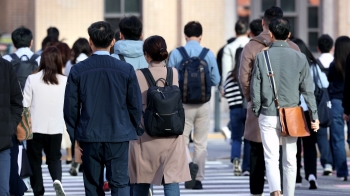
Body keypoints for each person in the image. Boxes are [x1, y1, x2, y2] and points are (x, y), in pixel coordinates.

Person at [64, 21, 142, 196]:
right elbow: (135, 105)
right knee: (120, 183)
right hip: (119, 133)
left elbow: (71, 107)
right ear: (113, 42)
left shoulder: (78, 70)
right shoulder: (126, 69)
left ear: (90, 41)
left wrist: (75, 135)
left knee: (92, 185)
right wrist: (133, 128)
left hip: (89, 134)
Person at [251, 18, 319, 196]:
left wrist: (257, 109)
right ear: (289, 35)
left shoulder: (261, 57)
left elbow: (255, 87)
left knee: (271, 157)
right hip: (292, 113)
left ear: (271, 35)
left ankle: (275, 191)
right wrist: (314, 116)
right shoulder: (300, 57)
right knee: (290, 158)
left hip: (268, 112)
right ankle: (289, 194)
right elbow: (308, 90)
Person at [239, 6, 300, 196]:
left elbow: (243, 78)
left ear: (263, 22)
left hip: (261, 108)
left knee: (257, 151)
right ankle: (281, 191)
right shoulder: (293, 47)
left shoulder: (251, 46)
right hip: (287, 109)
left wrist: (252, 99)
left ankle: (257, 192)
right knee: (283, 155)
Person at [129, 35, 191, 196]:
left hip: (146, 134)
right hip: (171, 132)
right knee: (170, 180)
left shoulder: (137, 74)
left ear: (146, 55)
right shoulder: (173, 73)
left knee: (141, 181)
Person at [168, 21, 220, 189]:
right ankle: (197, 179)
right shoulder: (208, 54)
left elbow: (170, 78)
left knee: (181, 140)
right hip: (203, 104)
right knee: (201, 142)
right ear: (200, 36)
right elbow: (216, 80)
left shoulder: (176, 53)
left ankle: (187, 168)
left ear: (185, 36)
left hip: (182, 104)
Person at [23, 46, 67, 196]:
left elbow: (25, 104)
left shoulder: (32, 79)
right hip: (55, 127)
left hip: (35, 127)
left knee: (34, 160)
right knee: (54, 158)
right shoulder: (65, 81)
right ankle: (57, 179)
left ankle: (38, 190)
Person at [3, 26, 41, 195]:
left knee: (15, 149)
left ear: (14, 42)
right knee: (32, 150)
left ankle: (20, 179)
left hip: (11, 115)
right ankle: (27, 180)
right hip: (34, 110)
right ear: (31, 42)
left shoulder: (7, 59)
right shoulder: (38, 59)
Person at [292, 38, 329, 189]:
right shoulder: (313, 65)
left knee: (294, 145)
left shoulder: (290, 65)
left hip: (293, 110)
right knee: (310, 145)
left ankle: (296, 176)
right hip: (310, 110)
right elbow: (325, 84)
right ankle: (312, 175)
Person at [223, 47, 250, 176]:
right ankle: (247, 167)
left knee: (236, 138)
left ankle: (235, 159)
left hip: (234, 110)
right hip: (247, 109)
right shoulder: (249, 73)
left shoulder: (231, 75)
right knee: (249, 139)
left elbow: (225, 91)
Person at [327, 36, 350, 181]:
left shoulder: (333, 65)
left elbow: (329, 80)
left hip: (336, 102)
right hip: (348, 102)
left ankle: (342, 172)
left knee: (337, 139)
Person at [0, 57, 23, 196]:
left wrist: (11, 125)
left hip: (2, 141)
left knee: (3, 191)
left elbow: (16, 101)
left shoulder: (6, 66)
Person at [221, 20, 250, 86]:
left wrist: (225, 87)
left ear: (235, 32)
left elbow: (226, 70)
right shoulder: (253, 44)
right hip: (250, 85)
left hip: (234, 85)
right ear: (248, 31)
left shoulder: (229, 47)